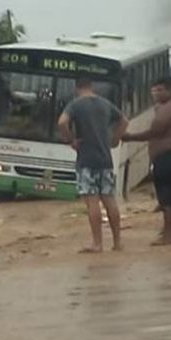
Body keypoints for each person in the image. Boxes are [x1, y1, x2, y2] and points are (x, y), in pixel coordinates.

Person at [122, 76, 171, 246]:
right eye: (154, 90)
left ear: (170, 90)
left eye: (159, 90)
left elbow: (154, 133)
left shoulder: (167, 109)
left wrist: (130, 137)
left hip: (169, 156)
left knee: (168, 198)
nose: (155, 94)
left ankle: (167, 235)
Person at [57, 77, 129, 253]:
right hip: (105, 159)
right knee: (109, 200)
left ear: (77, 88)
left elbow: (62, 122)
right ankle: (117, 242)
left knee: (92, 202)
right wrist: (114, 139)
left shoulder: (75, 105)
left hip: (86, 160)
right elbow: (124, 121)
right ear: (92, 86)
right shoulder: (105, 104)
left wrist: (70, 140)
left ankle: (97, 243)